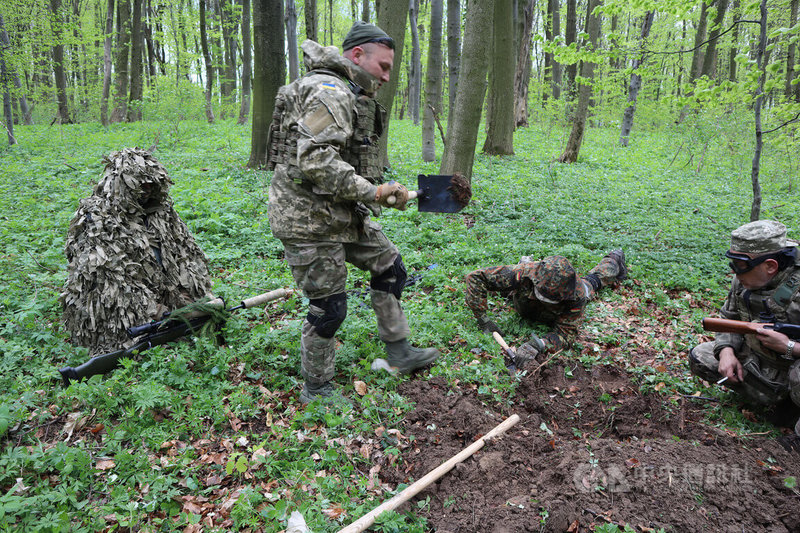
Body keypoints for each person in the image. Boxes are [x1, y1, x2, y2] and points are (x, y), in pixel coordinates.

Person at [266, 22, 439, 404]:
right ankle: (318, 389)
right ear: (357, 56)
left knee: (389, 266)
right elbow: (316, 160)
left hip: (339, 211)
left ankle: (400, 354)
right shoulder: (330, 93)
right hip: (307, 219)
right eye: (384, 66)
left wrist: (370, 193)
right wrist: (374, 192)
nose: (387, 76)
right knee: (329, 307)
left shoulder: (345, 90)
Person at [61, 148, 213, 356]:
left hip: (163, 292)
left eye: (152, 185)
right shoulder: (97, 219)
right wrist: (154, 310)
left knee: (209, 313)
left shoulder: (161, 212)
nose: (147, 190)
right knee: (134, 339)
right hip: (124, 306)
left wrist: (195, 294)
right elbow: (110, 281)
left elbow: (185, 253)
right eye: (141, 185)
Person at [688, 220, 800, 451]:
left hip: (794, 366)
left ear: (770, 265)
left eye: (740, 265)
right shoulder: (743, 279)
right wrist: (727, 352)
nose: (734, 271)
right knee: (703, 357)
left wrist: (789, 346)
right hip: (764, 361)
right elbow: (729, 317)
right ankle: (776, 399)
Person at [465, 251, 628, 364]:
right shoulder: (525, 273)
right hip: (522, 297)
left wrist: (541, 344)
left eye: (551, 300)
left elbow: (567, 335)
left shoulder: (576, 295)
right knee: (507, 286)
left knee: (593, 281)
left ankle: (614, 259)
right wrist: (483, 318)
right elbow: (476, 277)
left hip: (557, 307)